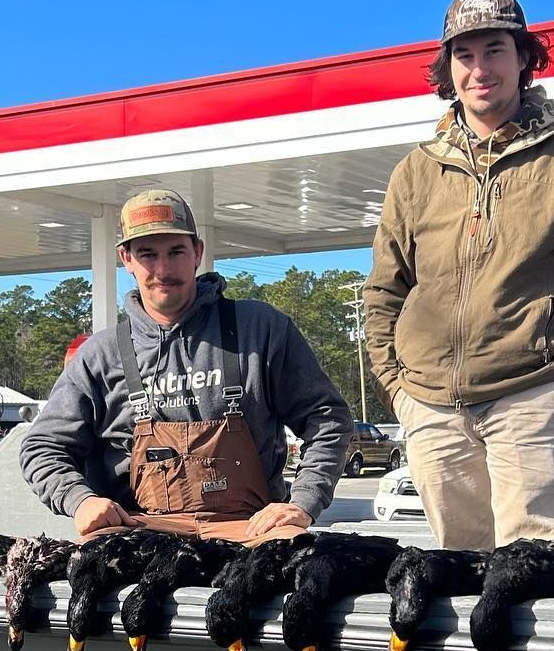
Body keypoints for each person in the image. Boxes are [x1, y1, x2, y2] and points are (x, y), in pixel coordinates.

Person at [365, 0, 554, 551]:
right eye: (465, 55)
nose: (480, 68)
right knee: (457, 575)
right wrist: (396, 386)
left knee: (529, 575)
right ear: (447, 69)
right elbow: (384, 288)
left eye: (495, 49)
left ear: (524, 56)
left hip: (532, 396)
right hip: (429, 407)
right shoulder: (416, 171)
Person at [21, 188, 352, 540]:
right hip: (138, 533)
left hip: (252, 532)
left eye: (176, 251)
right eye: (148, 254)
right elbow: (42, 447)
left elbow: (328, 419)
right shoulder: (99, 356)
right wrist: (80, 500)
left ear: (197, 252)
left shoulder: (260, 330)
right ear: (126, 259)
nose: (163, 269)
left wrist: (302, 503)